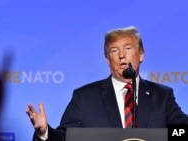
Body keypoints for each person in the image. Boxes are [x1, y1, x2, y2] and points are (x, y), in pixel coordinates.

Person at [26, 26, 188, 141]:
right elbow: (65, 138)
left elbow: (182, 131)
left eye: (128, 48)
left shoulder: (162, 95)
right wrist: (44, 132)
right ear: (107, 60)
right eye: (114, 50)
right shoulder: (85, 97)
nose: (122, 55)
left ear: (141, 55)